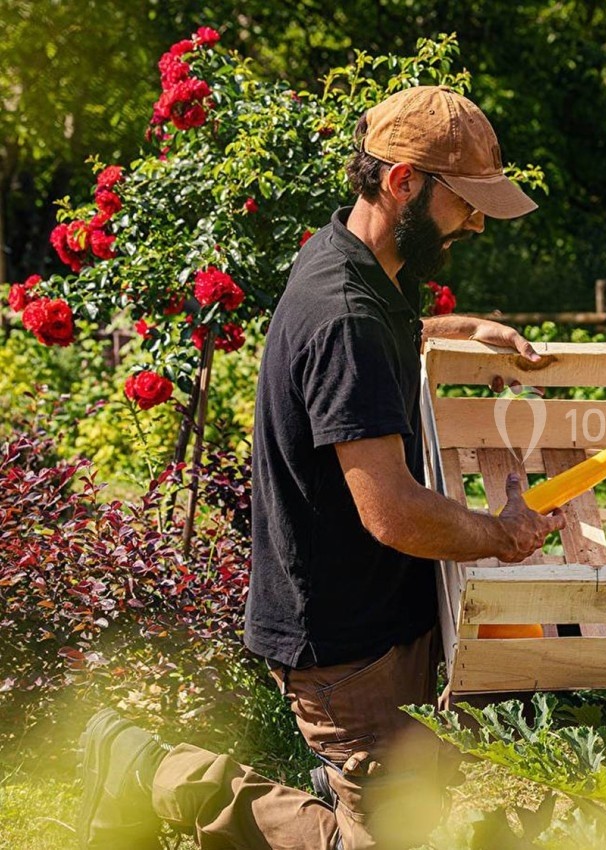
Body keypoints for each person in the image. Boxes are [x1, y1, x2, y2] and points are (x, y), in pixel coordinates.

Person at [77, 85, 566, 850]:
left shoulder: (354, 261)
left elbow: (380, 336)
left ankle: (334, 787)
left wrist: (460, 328)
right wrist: (501, 534)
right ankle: (139, 766)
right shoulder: (347, 313)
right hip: (345, 639)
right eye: (464, 202)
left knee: (410, 807)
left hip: (372, 609)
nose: (474, 221)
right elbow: (394, 511)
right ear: (403, 180)